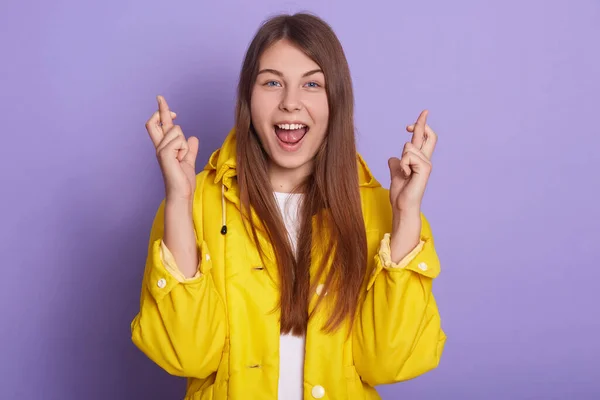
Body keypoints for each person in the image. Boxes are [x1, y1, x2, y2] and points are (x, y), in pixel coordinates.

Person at [131, 12, 446, 400]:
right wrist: (179, 201)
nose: (291, 103)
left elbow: (387, 362)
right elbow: (187, 356)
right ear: (248, 96)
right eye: (272, 82)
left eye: (312, 83)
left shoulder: (385, 212)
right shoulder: (194, 201)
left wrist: (406, 216)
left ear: (336, 101)